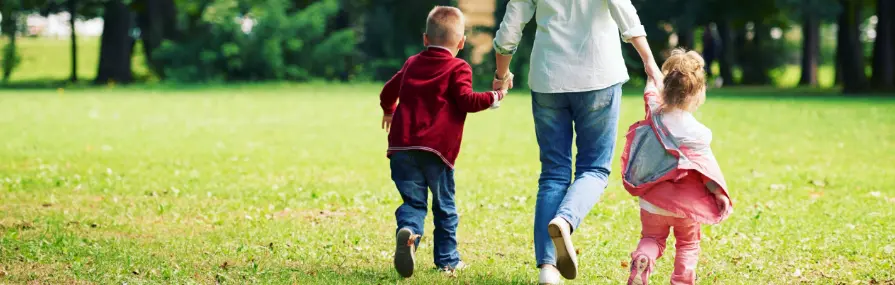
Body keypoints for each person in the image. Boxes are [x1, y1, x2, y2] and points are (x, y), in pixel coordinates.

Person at [492, 1, 663, 283]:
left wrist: (501, 74)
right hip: (599, 77)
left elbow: (511, 26)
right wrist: (650, 64)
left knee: (553, 174)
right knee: (594, 169)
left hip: (548, 79)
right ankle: (566, 220)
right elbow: (624, 12)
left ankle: (548, 268)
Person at [378, 6, 507, 278]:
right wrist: (496, 96)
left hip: (402, 147)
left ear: (426, 39)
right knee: (444, 207)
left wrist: (389, 109)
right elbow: (466, 101)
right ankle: (447, 260)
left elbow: (388, 90)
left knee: (413, 203)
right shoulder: (458, 66)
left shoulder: (412, 63)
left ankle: (410, 233)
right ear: (461, 43)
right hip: (437, 151)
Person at [619, 49, 733, 285]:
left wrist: (653, 74)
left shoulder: (654, 112)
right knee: (688, 244)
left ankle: (643, 257)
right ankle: (681, 282)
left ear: (666, 90)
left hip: (652, 200)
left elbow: (651, 88)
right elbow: (706, 171)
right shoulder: (698, 134)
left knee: (652, 238)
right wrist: (719, 193)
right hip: (685, 206)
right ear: (697, 95)